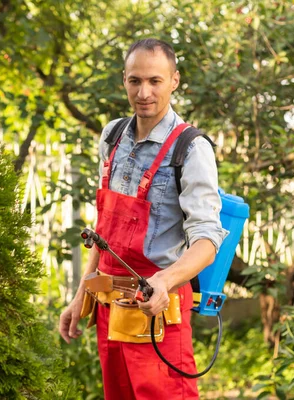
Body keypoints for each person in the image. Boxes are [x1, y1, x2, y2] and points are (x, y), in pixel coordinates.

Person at [58, 38, 228, 399]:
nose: (144, 92)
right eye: (135, 81)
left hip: (159, 312)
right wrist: (81, 295)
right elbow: (103, 231)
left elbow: (207, 240)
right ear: (124, 80)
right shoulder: (113, 136)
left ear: (174, 81)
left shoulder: (191, 149)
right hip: (111, 310)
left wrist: (165, 281)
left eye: (155, 81)